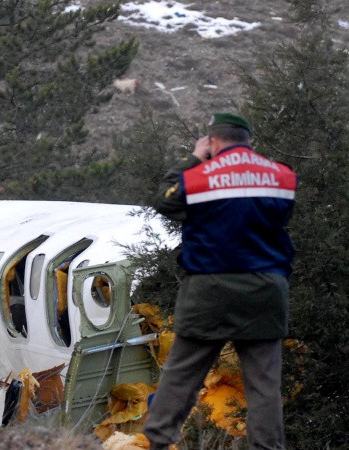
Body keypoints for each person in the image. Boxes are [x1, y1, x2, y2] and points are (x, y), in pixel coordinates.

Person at [142, 112, 297, 450]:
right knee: (263, 385)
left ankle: (155, 442)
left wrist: (194, 158)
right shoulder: (282, 176)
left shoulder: (199, 177)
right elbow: (282, 216)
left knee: (182, 374)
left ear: (212, 142)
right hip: (265, 289)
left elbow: (165, 200)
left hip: (208, 289)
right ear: (249, 141)